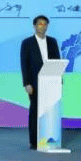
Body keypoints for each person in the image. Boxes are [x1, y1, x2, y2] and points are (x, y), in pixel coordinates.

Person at [20, 14, 60, 150]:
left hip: (51, 82)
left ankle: (49, 138)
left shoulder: (53, 42)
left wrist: (58, 80)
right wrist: (27, 83)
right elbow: (24, 64)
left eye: (45, 24)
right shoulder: (27, 43)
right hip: (35, 83)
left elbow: (57, 61)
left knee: (50, 111)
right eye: (40, 24)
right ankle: (34, 141)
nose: (42, 26)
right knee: (35, 111)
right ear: (34, 26)